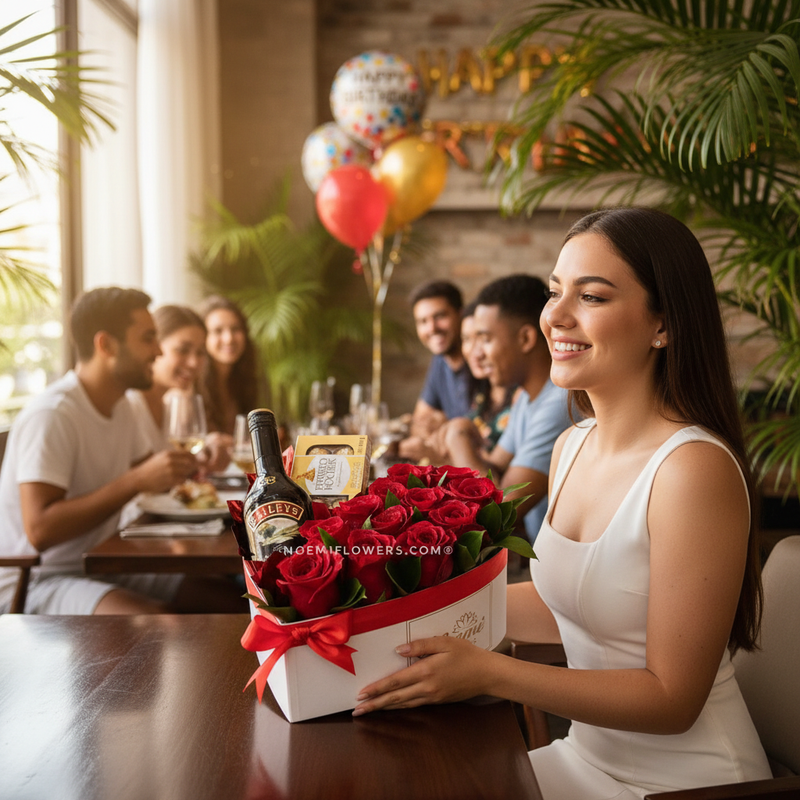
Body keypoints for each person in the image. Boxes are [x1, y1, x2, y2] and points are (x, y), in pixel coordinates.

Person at [352, 208, 771, 798]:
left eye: (592, 296)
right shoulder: (574, 444)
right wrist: (399, 603)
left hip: (686, 784)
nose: (556, 316)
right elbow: (567, 603)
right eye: (555, 291)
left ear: (664, 324)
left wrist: (490, 671)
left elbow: (673, 700)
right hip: (585, 758)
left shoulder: (691, 470)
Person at [0, 287, 202, 614]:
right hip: (37, 579)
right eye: (148, 338)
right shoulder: (53, 415)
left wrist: (188, 466)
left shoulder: (121, 405)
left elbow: (152, 479)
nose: (158, 351)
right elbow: (39, 530)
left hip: (102, 563)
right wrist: (135, 480)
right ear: (106, 344)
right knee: (163, 626)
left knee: (219, 595)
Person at [435, 275, 573, 541]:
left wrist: (457, 436)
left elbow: (496, 515)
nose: (478, 354)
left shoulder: (559, 404)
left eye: (485, 339)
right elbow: (493, 469)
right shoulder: (525, 397)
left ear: (525, 338)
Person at [127, 304, 229, 472]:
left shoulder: (170, 405)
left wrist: (206, 448)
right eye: (182, 350)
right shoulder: (129, 404)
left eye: (200, 352)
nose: (194, 363)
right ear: (155, 347)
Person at [398, 280, 476, 461]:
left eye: (440, 316)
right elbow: (419, 423)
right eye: (423, 321)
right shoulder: (439, 361)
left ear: (460, 315)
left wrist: (444, 428)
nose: (431, 328)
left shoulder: (480, 363)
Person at [198, 294, 261, 436]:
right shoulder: (192, 385)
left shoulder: (245, 381)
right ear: (203, 338)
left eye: (235, 329)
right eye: (218, 331)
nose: (229, 338)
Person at [460, 299, 517, 451]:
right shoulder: (480, 391)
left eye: (483, 339)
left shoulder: (523, 394)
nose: (475, 351)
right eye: (466, 339)